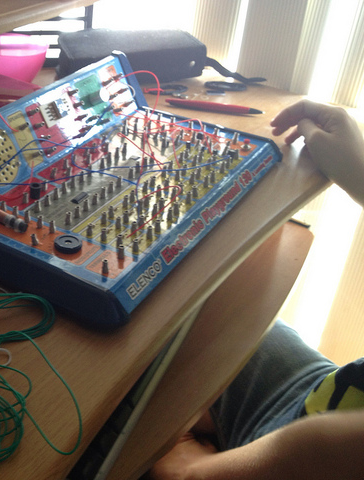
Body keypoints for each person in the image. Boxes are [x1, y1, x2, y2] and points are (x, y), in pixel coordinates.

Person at [147, 99, 364, 480]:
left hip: (316, 454)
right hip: (332, 397)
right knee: (202, 314)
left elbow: (330, 455)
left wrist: (190, 469)